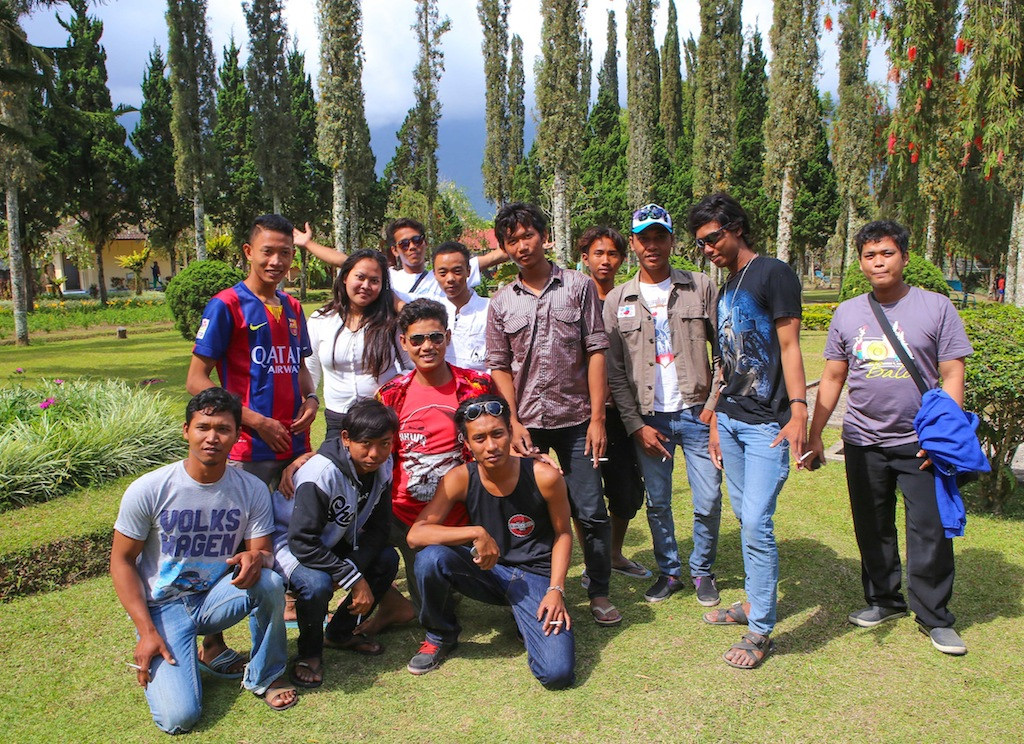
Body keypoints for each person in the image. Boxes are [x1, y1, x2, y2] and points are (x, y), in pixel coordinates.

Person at [806, 220, 973, 656]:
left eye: (887, 253)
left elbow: (953, 373)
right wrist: (815, 433)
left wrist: (944, 435)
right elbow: (832, 377)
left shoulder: (935, 307)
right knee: (872, 526)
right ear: (860, 262)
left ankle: (935, 617)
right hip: (863, 441)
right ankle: (884, 600)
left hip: (921, 443)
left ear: (904, 256)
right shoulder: (848, 313)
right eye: (869, 255)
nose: (878, 262)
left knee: (929, 530)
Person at [109, 388, 296, 734]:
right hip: (163, 607)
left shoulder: (251, 489)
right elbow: (121, 561)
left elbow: (264, 553)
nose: (212, 437)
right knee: (178, 719)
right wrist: (146, 632)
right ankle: (185, 661)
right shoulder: (150, 489)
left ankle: (265, 674)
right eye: (203, 427)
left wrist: (256, 556)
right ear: (186, 431)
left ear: (237, 436)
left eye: (223, 429)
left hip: (215, 599)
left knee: (269, 581)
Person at [186, 213, 317, 676]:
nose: (278, 260)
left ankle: (281, 630)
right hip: (246, 449)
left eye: (286, 252)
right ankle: (212, 642)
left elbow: (298, 368)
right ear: (248, 252)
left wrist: (312, 398)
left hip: (293, 444)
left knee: (288, 534)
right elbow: (196, 379)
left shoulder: (295, 308)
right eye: (269, 251)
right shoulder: (226, 305)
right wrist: (255, 421)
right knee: (230, 541)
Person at [485, 202, 619, 626]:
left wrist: (598, 418)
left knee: (591, 509)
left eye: (528, 236)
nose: (522, 246)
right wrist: (513, 422)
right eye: (512, 241)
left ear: (543, 236)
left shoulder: (578, 287)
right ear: (505, 249)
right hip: (526, 424)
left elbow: (596, 351)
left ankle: (598, 591)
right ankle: (529, 591)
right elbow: (499, 365)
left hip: (578, 419)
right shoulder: (501, 301)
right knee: (525, 511)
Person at [689, 193, 807, 670]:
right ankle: (754, 603)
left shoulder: (774, 274)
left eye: (713, 238)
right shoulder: (727, 287)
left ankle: (760, 631)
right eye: (701, 244)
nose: (708, 249)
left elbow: (791, 346)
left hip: (766, 426)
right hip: (733, 420)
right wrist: (715, 417)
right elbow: (727, 362)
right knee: (746, 518)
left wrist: (798, 411)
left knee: (757, 522)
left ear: (736, 227)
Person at [405, 394, 575, 689]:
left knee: (557, 673)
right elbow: (415, 535)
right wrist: (475, 533)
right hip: (488, 571)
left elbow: (563, 534)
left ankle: (525, 616)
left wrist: (556, 589)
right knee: (429, 558)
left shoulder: (544, 476)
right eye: (479, 438)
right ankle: (440, 635)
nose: (491, 446)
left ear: (510, 432)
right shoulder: (460, 478)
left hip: (535, 577)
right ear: (466, 444)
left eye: (498, 434)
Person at [602, 208, 724, 606]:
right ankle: (669, 572)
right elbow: (615, 372)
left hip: (696, 412)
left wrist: (713, 406)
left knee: (707, 499)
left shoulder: (701, 286)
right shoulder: (619, 299)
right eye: (644, 238)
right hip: (650, 417)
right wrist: (636, 424)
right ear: (633, 243)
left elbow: (724, 353)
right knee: (658, 502)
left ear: (672, 241)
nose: (652, 245)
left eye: (660, 237)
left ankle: (702, 570)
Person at [376, 298, 497, 611]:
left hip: (463, 513)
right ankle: (392, 606)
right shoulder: (391, 394)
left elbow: (499, 440)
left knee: (485, 589)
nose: (426, 346)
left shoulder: (476, 385)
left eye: (435, 337)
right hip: (405, 516)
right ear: (404, 343)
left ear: (448, 336)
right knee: (430, 607)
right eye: (417, 339)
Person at [271, 399, 401, 688]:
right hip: (288, 545)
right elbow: (301, 541)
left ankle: (340, 633)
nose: (375, 453)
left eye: (384, 443)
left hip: (333, 539)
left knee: (387, 558)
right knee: (316, 584)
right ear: (345, 439)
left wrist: (350, 569)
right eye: (365, 443)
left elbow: (380, 529)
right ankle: (309, 653)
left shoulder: (384, 465)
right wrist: (353, 579)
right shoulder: (321, 473)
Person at [578, 226, 651, 582]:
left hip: (624, 412)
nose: (605, 260)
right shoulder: (575, 297)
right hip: (582, 414)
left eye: (612, 254)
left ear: (622, 258)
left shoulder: (631, 298)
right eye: (597, 253)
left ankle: (614, 552)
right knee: (586, 493)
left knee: (626, 491)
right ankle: (594, 562)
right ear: (584, 258)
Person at [304, 248, 404, 442]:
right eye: (360, 277)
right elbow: (310, 369)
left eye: (374, 281)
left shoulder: (392, 322)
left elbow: (412, 366)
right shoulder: (321, 319)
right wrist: (309, 399)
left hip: (382, 418)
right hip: (337, 420)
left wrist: (391, 388)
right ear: (344, 278)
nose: (366, 285)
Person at [292, 218, 510, 303]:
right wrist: (308, 244)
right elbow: (344, 261)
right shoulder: (388, 277)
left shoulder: (446, 273)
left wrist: (525, 243)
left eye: (417, 240)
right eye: (404, 244)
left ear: (425, 243)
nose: (412, 247)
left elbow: (494, 256)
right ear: (395, 251)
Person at [433, 241, 490, 372]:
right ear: (434, 275)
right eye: (443, 273)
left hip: (482, 388)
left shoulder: (489, 308)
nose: (450, 278)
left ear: (469, 271)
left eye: (457, 271)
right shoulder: (431, 312)